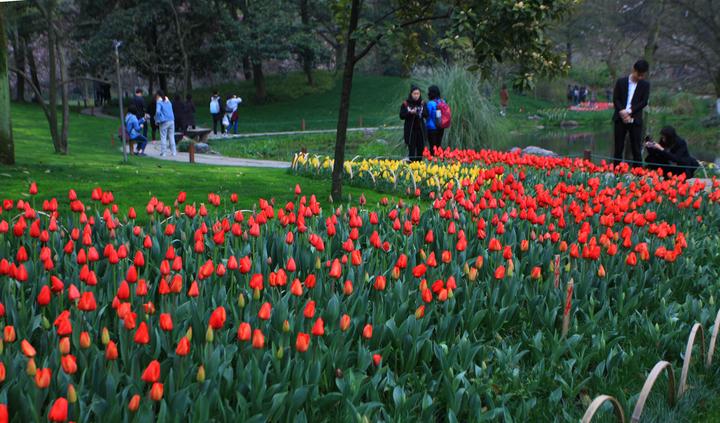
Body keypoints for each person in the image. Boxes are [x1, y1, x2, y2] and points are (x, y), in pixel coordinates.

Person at [612, 59, 651, 166]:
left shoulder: (645, 85)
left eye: (642, 75)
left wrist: (629, 111)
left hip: (635, 118)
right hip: (620, 118)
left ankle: (637, 175)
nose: (640, 77)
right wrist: (622, 111)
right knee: (618, 148)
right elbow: (616, 99)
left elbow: (643, 102)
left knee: (636, 148)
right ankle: (617, 174)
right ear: (633, 70)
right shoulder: (621, 82)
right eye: (638, 74)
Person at [400, 85, 428, 162]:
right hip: (410, 131)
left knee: (420, 149)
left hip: (420, 130)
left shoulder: (422, 103)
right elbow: (401, 116)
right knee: (411, 150)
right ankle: (411, 166)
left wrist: (420, 112)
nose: (416, 95)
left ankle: (419, 166)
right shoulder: (406, 104)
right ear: (411, 94)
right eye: (414, 94)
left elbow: (426, 114)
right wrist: (410, 112)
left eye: (418, 94)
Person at [155, 90, 176, 157]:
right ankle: (174, 152)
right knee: (171, 136)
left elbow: (158, 112)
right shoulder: (168, 101)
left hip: (164, 121)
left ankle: (163, 153)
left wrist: (157, 120)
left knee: (163, 137)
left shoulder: (159, 102)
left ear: (158, 95)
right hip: (172, 120)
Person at [426, 85, 445, 155]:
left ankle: (433, 163)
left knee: (432, 148)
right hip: (441, 127)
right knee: (438, 146)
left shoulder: (430, 103)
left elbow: (427, 115)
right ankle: (439, 162)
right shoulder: (443, 101)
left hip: (432, 128)